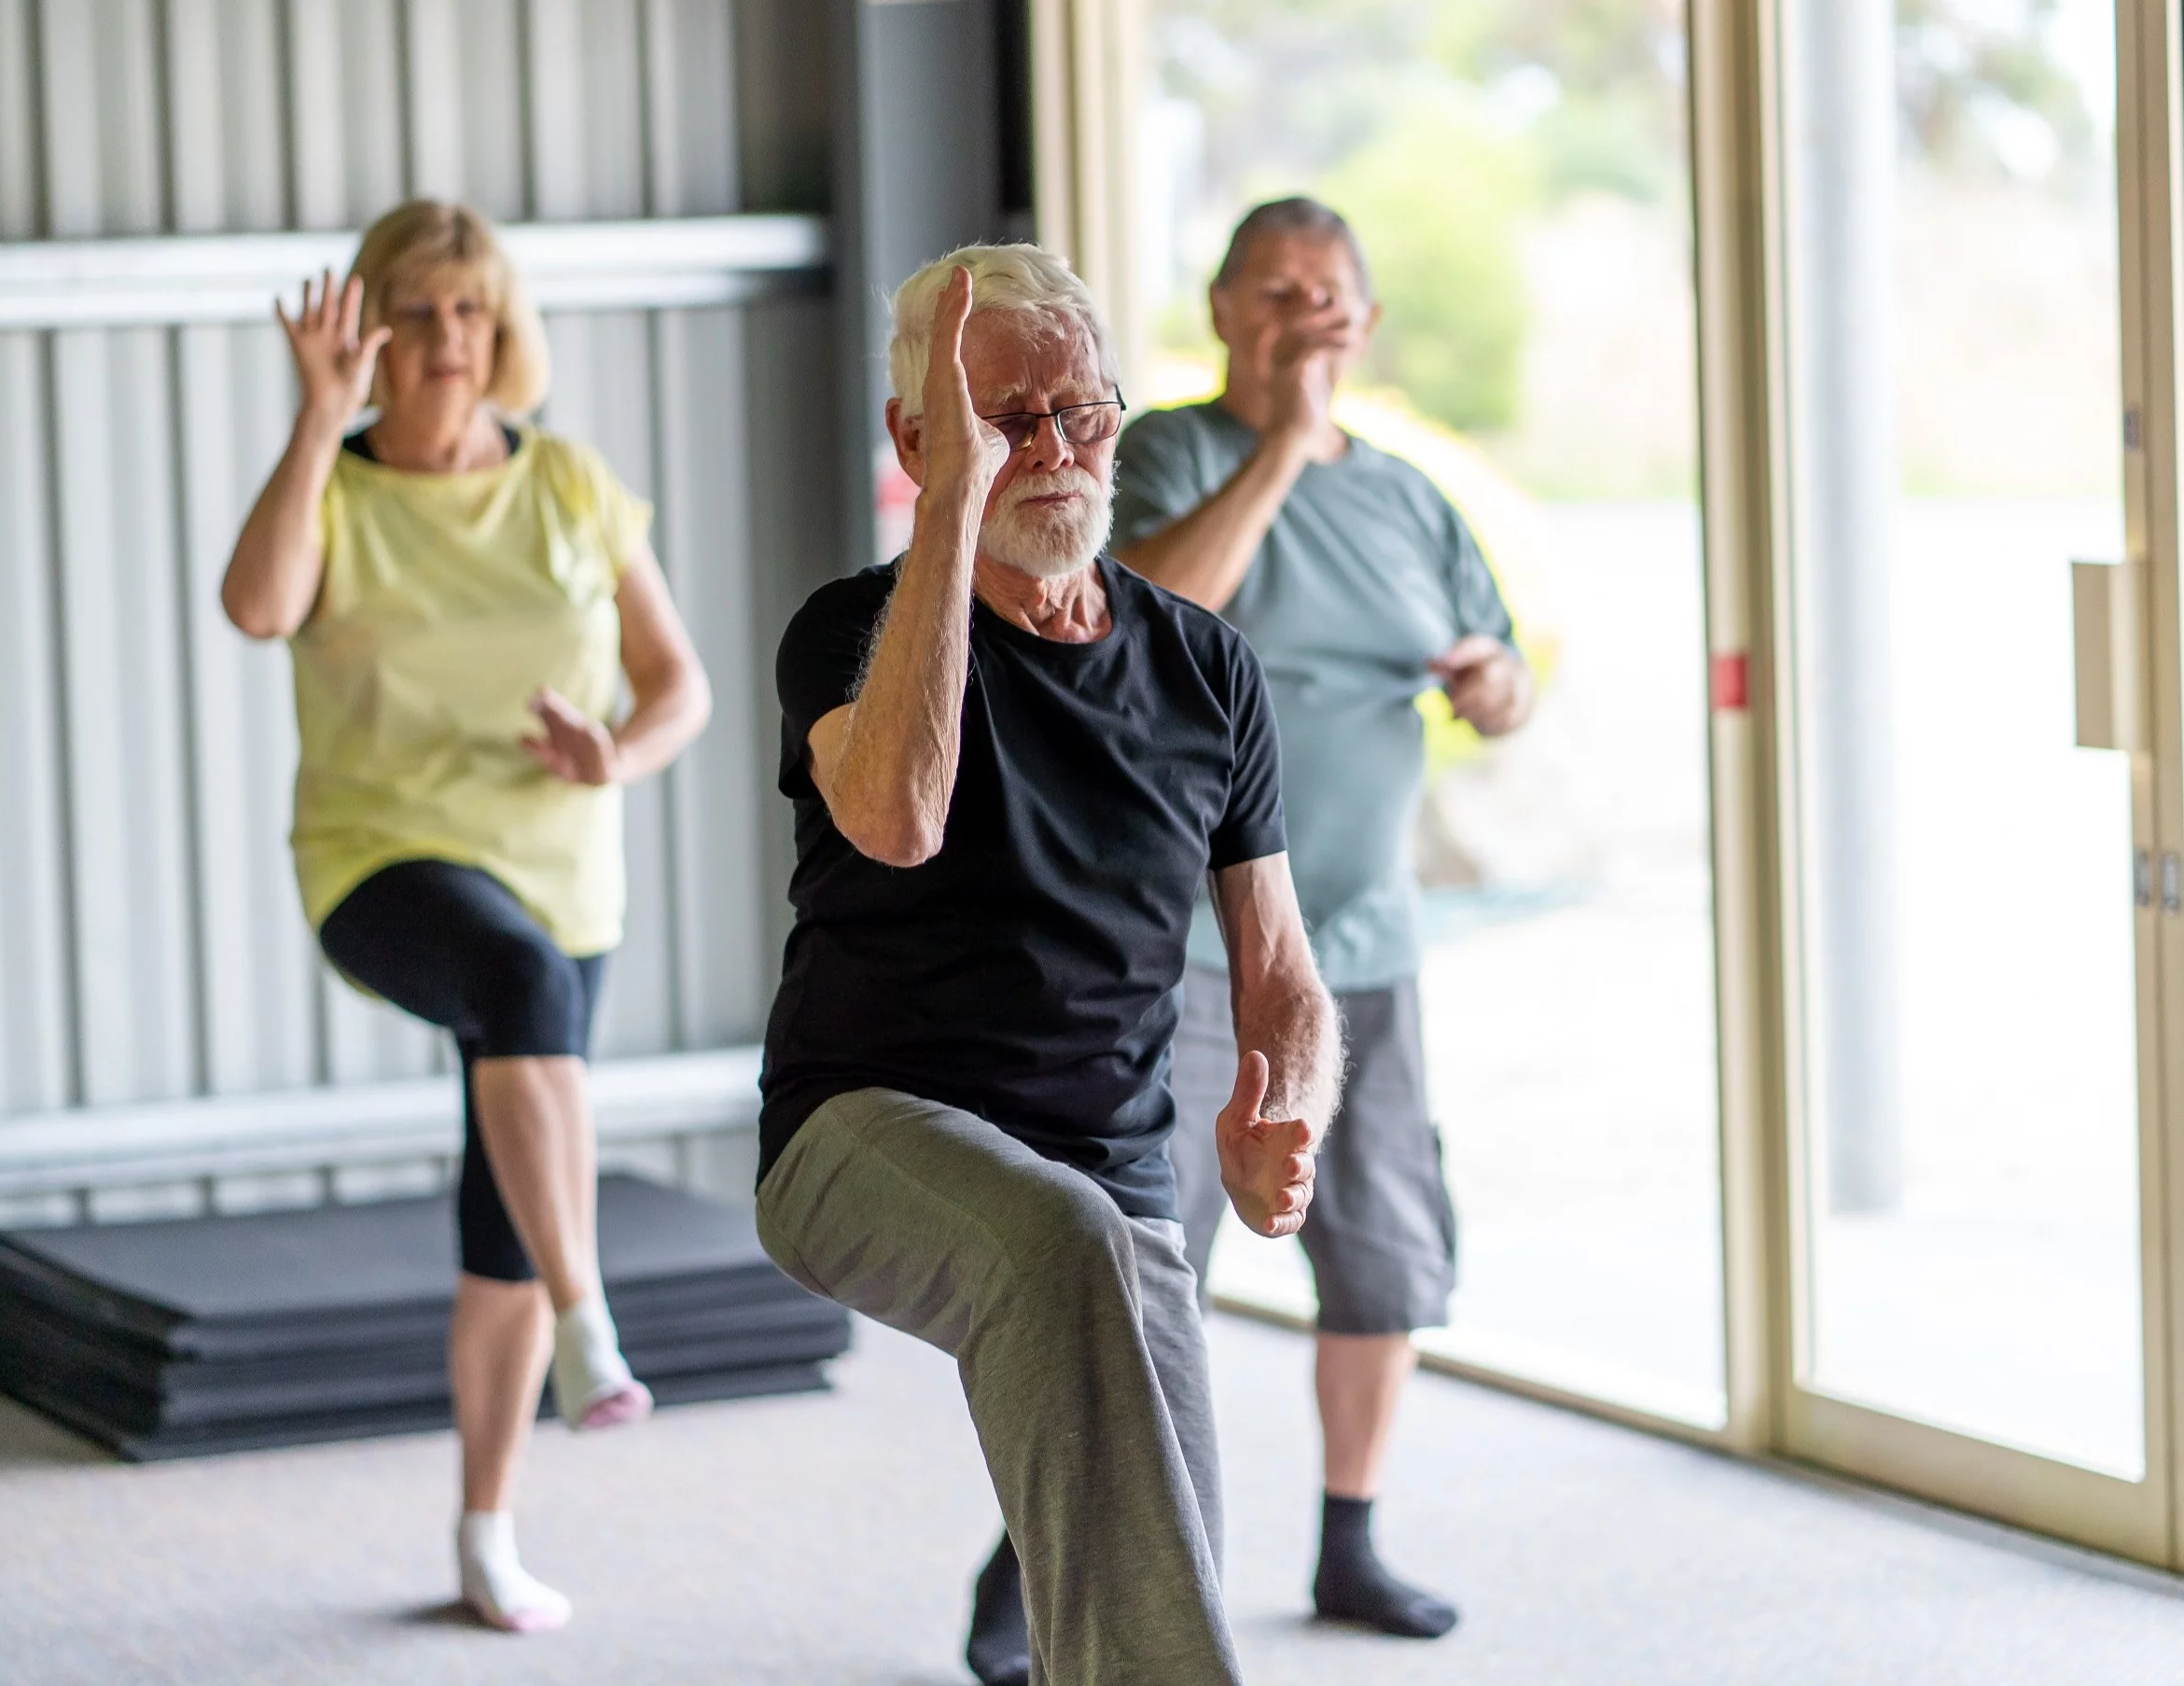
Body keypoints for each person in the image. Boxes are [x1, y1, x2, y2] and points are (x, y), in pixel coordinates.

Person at [756, 244, 1341, 1686]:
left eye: (1081, 412)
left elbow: (1281, 975)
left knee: (1156, 1580)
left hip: (1109, 1192)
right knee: (1057, 1240)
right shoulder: (850, 630)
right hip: (860, 1137)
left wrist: (1291, 1110)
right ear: (916, 438)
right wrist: (951, 504)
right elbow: (894, 816)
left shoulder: (1206, 667)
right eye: (1006, 420)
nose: (1058, 449)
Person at [220, 201, 711, 1635]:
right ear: (372, 331)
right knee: (515, 982)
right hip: (382, 859)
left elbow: (677, 679)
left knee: (500, 1197)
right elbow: (257, 609)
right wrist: (317, 423)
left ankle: (487, 1529)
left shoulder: (566, 481)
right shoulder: (341, 489)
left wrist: (616, 751)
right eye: (421, 314)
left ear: (503, 333)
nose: (449, 341)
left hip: (566, 873)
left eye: (472, 314)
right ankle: (591, 1310)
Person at [1114, 197, 1537, 1640]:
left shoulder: (1414, 499)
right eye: (1272, 288)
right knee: (1134, 1262)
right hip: (1177, 949)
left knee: (1378, 1246)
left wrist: (1494, 687)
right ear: (1223, 308)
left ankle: (1347, 1542)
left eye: (1327, 292)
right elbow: (1147, 624)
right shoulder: (1165, 455)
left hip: (1359, 942)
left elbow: (1505, 672)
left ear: (1360, 320)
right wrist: (1284, 443)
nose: (1301, 312)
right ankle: (1049, 1555)